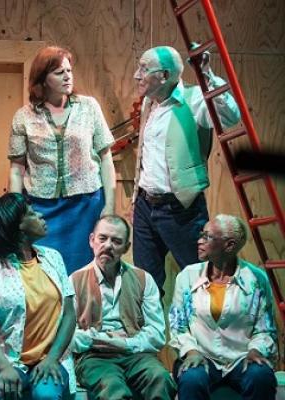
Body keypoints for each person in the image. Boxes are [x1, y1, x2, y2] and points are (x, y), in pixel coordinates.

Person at [132, 45, 241, 295]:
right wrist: (135, 201)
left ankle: (203, 332)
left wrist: (207, 76)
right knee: (146, 284)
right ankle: (152, 333)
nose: (136, 75)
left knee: (200, 279)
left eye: (144, 69)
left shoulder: (194, 99)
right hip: (146, 207)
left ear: (164, 76)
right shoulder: (150, 103)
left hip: (180, 208)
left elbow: (230, 116)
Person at [8, 46, 116, 274]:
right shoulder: (24, 116)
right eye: (59, 72)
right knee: (45, 270)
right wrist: (16, 208)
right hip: (42, 207)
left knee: (84, 270)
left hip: (85, 204)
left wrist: (110, 204)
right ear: (43, 79)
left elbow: (106, 157)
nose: (67, 76)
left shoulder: (88, 107)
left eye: (69, 70)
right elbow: (17, 168)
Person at [0, 192, 77, 400]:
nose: (41, 216)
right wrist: (4, 367)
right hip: (8, 358)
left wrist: (52, 358)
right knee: (0, 391)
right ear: (18, 227)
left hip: (49, 358)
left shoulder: (53, 258)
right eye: (32, 214)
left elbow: (69, 315)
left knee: (47, 394)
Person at [169, 214, 278, 400]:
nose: (199, 241)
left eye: (207, 237)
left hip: (241, 357)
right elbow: (178, 326)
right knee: (192, 378)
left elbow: (265, 328)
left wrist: (256, 350)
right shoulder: (187, 276)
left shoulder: (256, 279)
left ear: (229, 245)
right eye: (201, 234)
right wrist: (191, 351)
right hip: (202, 356)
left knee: (261, 376)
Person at [70, 215, 176, 400]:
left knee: (161, 378)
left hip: (136, 354)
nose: (108, 245)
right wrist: (99, 339)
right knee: (113, 389)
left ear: (126, 247)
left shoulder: (143, 279)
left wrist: (126, 344)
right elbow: (67, 336)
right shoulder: (75, 281)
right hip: (94, 357)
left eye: (116, 241)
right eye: (102, 238)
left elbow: (157, 333)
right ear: (92, 240)